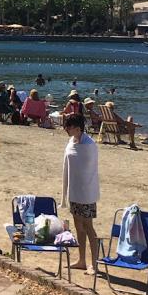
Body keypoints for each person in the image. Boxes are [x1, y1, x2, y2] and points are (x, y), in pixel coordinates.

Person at [60, 114, 100, 275]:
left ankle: (94, 263)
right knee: (78, 226)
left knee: (88, 226)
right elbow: (69, 162)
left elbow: (89, 168)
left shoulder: (89, 144)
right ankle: (81, 260)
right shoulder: (71, 142)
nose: (66, 130)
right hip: (74, 191)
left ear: (77, 128)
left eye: (68, 127)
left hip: (87, 192)